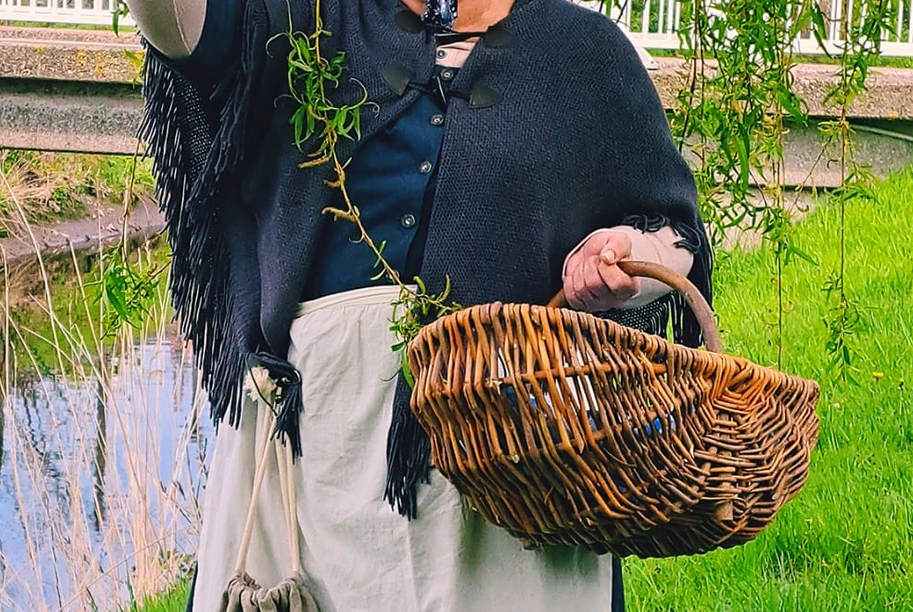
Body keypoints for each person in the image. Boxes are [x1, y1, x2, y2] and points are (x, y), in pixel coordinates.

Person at [132, 0, 712, 609]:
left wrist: (628, 254)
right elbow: (180, 27)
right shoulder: (310, 18)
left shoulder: (584, 54)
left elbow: (676, 236)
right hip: (311, 460)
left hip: (511, 466)